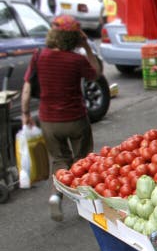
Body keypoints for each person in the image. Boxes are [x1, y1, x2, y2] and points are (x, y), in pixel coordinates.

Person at [20, 15, 100, 221]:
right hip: (75, 119)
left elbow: (27, 88)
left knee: (59, 160)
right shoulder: (77, 60)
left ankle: (57, 195)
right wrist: (87, 47)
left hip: (49, 120)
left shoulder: (39, 55)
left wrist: (25, 113)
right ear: (74, 38)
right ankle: (85, 203)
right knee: (83, 159)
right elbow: (96, 73)